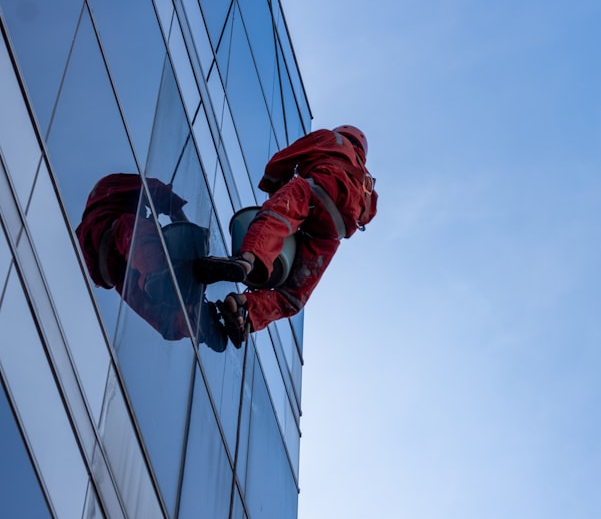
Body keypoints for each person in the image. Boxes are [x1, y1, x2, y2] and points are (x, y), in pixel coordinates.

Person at [195, 125, 378, 347]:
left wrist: (276, 191)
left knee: (274, 219)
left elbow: (278, 164)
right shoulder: (369, 184)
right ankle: (245, 309)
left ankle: (247, 261)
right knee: (293, 297)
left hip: (314, 191)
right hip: (331, 233)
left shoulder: (330, 138)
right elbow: (367, 216)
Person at [76, 173, 227, 351]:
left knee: (153, 310)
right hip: (112, 237)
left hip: (115, 272)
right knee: (139, 233)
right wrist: (184, 223)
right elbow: (153, 187)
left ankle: (191, 321)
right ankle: (158, 275)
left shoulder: (105, 204)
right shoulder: (109, 190)